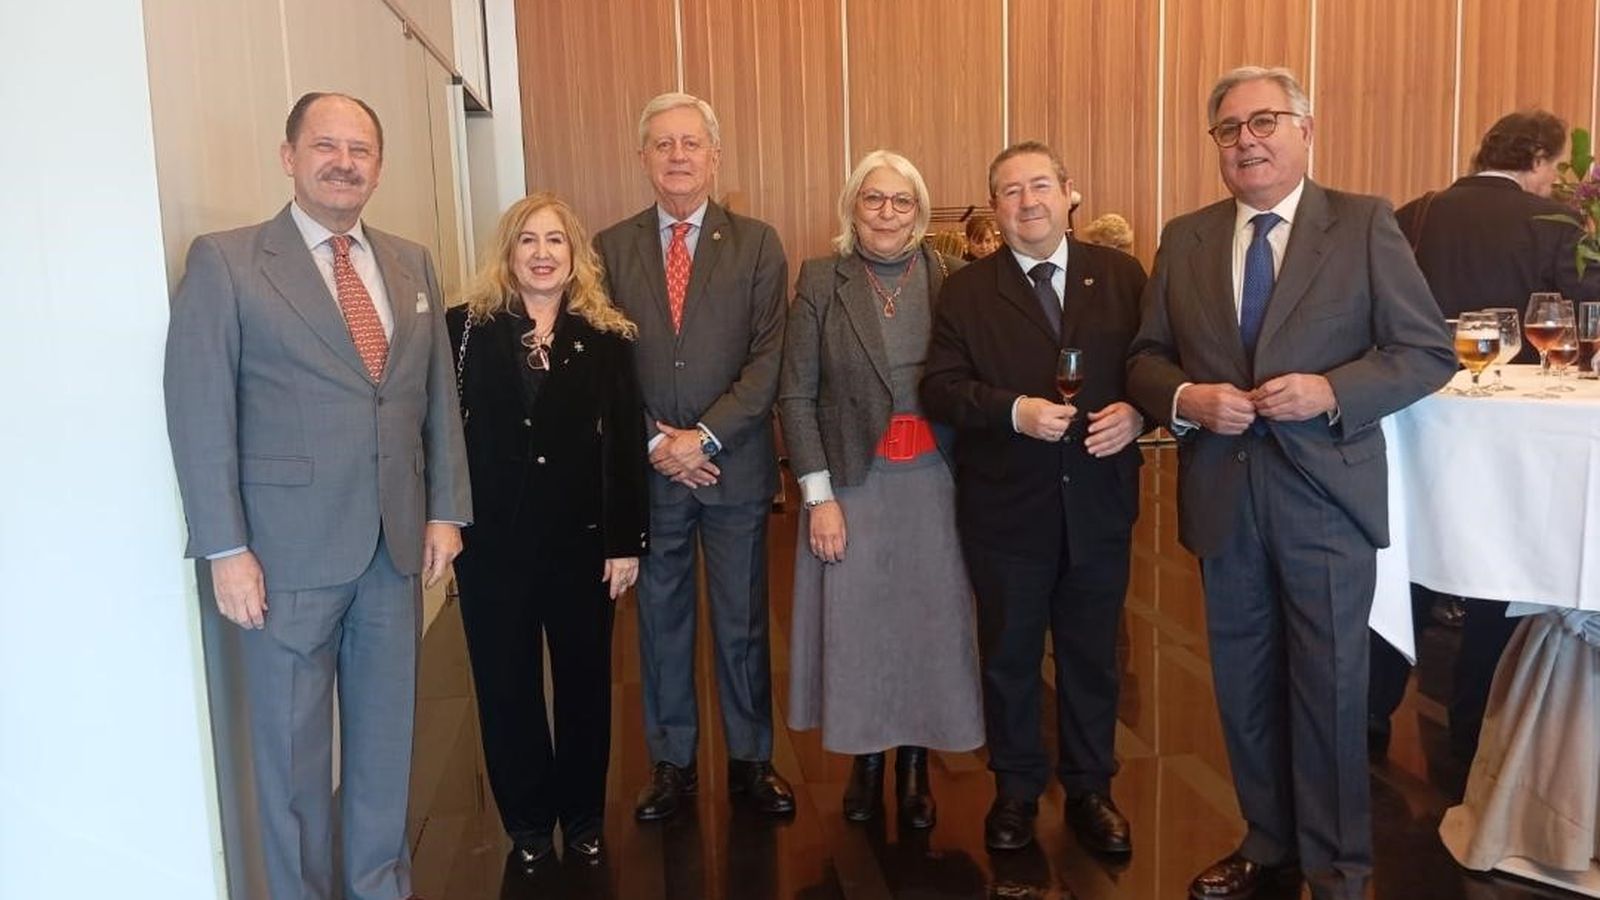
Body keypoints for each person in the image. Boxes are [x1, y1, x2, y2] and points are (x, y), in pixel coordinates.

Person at [1126, 67, 1455, 900]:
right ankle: (1267, 842)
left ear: (1307, 129)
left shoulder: (1364, 223)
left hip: (1325, 495)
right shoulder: (1187, 236)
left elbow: (1425, 351)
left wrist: (1332, 392)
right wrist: (1185, 399)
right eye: (1229, 129)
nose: (1248, 140)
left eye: (1265, 120)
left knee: (1332, 690)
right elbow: (1143, 357)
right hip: (1223, 494)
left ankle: (1339, 867)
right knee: (1241, 684)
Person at [163, 91, 471, 900]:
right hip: (283, 555)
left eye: (361, 149)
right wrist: (226, 550)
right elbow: (199, 414)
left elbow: (434, 397)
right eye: (325, 145)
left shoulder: (409, 262)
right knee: (294, 759)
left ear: (379, 165)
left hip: (393, 546)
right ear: (289, 155)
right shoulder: (226, 262)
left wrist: (445, 508)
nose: (344, 162)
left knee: (385, 741)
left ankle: (380, 885)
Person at [922, 141, 1147, 856]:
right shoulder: (964, 290)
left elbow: (1155, 366)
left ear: (1070, 193)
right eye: (1011, 192)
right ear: (995, 208)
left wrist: (1145, 414)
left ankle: (1091, 789)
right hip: (1006, 509)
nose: (1028, 202)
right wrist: (1010, 411)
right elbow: (940, 387)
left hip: (1099, 505)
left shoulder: (1122, 277)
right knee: (1010, 658)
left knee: (1092, 657)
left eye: (1041, 186)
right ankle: (1015, 791)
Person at [1375, 110, 1600, 761]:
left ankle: (1368, 711)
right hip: (1514, 428)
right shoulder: (1554, 225)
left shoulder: (1415, 212)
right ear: (1535, 158)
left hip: (1420, 415)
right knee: (1498, 561)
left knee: (1413, 555)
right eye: (1555, 166)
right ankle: (1474, 719)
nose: (1554, 179)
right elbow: (1585, 310)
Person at [594, 92, 795, 820]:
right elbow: (603, 362)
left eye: (691, 144)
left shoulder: (758, 243)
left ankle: (751, 760)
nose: (678, 156)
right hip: (650, 472)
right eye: (663, 144)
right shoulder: (609, 248)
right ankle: (673, 763)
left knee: (744, 619)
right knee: (661, 619)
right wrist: (656, 441)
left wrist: (704, 437)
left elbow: (770, 357)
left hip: (731, 466)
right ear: (643, 157)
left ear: (715, 156)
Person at [778, 150, 984, 828]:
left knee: (930, 628)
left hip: (936, 485)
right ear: (853, 208)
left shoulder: (954, 280)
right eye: (874, 200)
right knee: (860, 633)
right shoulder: (818, 280)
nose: (887, 213)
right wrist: (818, 497)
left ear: (920, 214)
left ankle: (916, 768)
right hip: (852, 486)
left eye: (901, 202)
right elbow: (796, 394)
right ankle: (866, 764)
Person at [446, 193, 648, 866]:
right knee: (506, 687)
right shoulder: (464, 329)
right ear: (508, 254)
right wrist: (443, 521)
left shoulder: (608, 337)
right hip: (493, 545)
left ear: (574, 256)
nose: (541, 253)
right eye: (527, 241)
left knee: (587, 684)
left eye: (555, 241)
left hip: (581, 545)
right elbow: (440, 435)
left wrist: (626, 542)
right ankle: (529, 828)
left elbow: (623, 445)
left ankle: (584, 820)